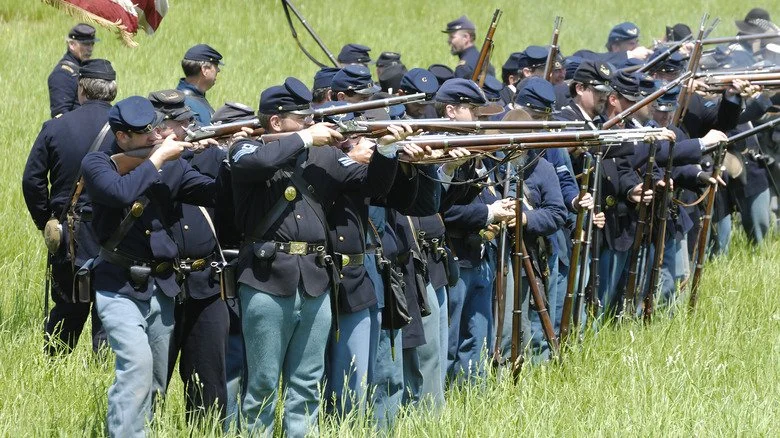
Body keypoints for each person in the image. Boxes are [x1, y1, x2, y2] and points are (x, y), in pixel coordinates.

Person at [229, 77, 414, 436]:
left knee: (307, 384)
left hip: (315, 280)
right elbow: (258, 163)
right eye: (302, 118)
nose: (312, 123)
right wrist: (303, 138)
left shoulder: (325, 156)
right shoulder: (245, 148)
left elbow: (372, 184)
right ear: (276, 122)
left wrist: (387, 150)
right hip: (266, 279)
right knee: (263, 385)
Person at [82, 96, 215, 437]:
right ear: (122, 137)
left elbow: (212, 193)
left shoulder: (170, 164)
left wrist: (225, 156)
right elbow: (120, 192)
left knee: (155, 380)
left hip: (162, 287)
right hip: (118, 286)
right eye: (146, 134)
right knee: (136, 369)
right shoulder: (98, 163)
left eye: (156, 130)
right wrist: (158, 158)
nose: (156, 136)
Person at [147, 89, 231, 425]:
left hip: (204, 282)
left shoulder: (202, 158)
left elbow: (218, 194)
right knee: (151, 382)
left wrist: (227, 154)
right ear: (160, 129)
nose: (188, 129)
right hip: (160, 283)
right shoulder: (144, 166)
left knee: (210, 385)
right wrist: (171, 155)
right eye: (181, 124)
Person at [24, 59, 115, 355]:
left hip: (69, 236)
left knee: (66, 310)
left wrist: (47, 222)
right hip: (118, 233)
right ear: (113, 90)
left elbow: (32, 181)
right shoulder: (127, 130)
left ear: (81, 89)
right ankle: (103, 372)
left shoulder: (55, 127)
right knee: (111, 312)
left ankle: (53, 368)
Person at [48, 23, 98, 118]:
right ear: (72, 44)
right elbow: (60, 114)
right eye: (86, 44)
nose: (90, 49)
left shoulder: (83, 68)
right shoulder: (62, 74)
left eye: (92, 44)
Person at [177, 44, 223, 124]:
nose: (218, 70)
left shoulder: (193, 98)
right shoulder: (187, 105)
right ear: (204, 70)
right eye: (216, 65)